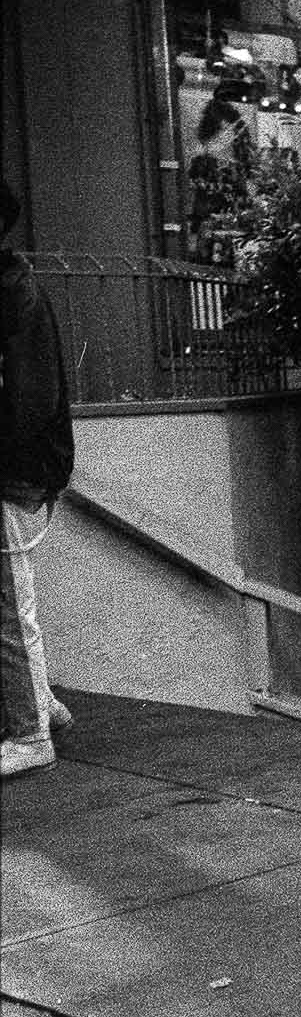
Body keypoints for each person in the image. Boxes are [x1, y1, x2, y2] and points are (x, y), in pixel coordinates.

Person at [1, 176, 75, 779]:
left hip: (13, 470)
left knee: (8, 605)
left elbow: (28, 401)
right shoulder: (16, 288)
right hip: (25, 467)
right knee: (14, 600)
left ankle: (29, 730)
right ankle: (39, 705)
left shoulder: (12, 294)